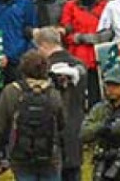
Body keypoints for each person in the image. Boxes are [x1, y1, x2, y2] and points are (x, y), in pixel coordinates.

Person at [0, 50, 65, 181]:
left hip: (20, 156)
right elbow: (62, 126)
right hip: (49, 157)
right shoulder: (54, 94)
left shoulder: (11, 92)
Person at [34, 27, 87, 181]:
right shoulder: (80, 65)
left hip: (49, 133)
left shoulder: (42, 69)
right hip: (76, 128)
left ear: (43, 45)